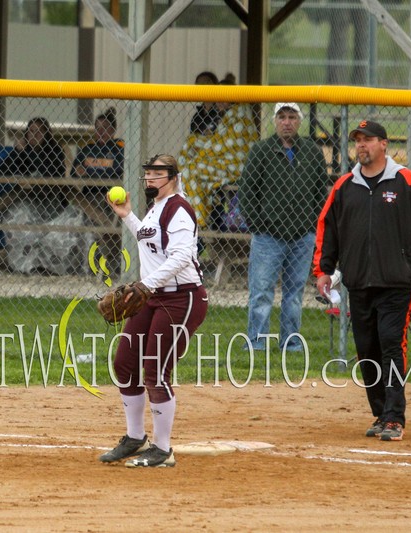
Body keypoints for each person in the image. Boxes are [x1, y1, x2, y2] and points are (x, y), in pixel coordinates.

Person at [313, 119, 411, 442]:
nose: (362, 145)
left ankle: (394, 416)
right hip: (359, 282)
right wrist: (324, 270)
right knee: (367, 350)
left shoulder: (406, 182)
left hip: (396, 282)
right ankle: (380, 412)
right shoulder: (345, 186)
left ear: (384, 144)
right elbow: (327, 230)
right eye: (358, 140)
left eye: (369, 139)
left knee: (391, 342)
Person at [100, 154, 208, 468]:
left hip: (182, 298)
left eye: (157, 173)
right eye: (147, 173)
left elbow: (180, 259)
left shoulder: (180, 210)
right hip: (152, 295)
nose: (150, 178)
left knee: (155, 370)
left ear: (173, 177)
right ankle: (136, 438)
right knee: (124, 363)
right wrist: (127, 216)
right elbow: (150, 243)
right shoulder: (156, 208)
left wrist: (146, 285)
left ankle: (162, 449)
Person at [237, 103, 329, 353]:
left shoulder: (311, 151)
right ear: (275, 121)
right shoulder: (261, 151)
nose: (287, 122)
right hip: (268, 236)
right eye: (282, 117)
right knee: (262, 292)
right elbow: (247, 192)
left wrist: (312, 224)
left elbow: (322, 192)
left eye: (291, 117)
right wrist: (258, 224)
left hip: (302, 236)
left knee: (294, 293)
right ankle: (257, 342)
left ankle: (291, 341)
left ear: (299, 121)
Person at [178, 74, 258, 230]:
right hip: (222, 162)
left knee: (192, 170)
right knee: (190, 144)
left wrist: (197, 160)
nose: (219, 101)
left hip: (237, 166)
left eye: (223, 97)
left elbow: (223, 145)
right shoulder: (226, 114)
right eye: (217, 97)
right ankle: (188, 209)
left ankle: (198, 220)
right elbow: (216, 143)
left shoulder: (239, 112)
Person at [0, 117, 66, 220]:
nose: (34, 135)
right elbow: (3, 170)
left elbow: (47, 171)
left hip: (49, 192)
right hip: (26, 192)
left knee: (21, 189)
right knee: (18, 189)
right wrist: (16, 151)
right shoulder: (24, 149)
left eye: (39, 131)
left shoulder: (55, 149)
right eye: (31, 131)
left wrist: (28, 152)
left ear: (46, 134)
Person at [70, 107, 124, 245]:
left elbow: (115, 172)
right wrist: (78, 171)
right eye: (97, 128)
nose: (100, 132)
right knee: (72, 196)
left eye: (105, 128)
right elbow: (74, 171)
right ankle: (107, 230)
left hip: (108, 194)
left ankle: (108, 233)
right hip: (88, 193)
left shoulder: (119, 149)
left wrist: (88, 172)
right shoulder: (88, 149)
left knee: (99, 205)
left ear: (112, 131)